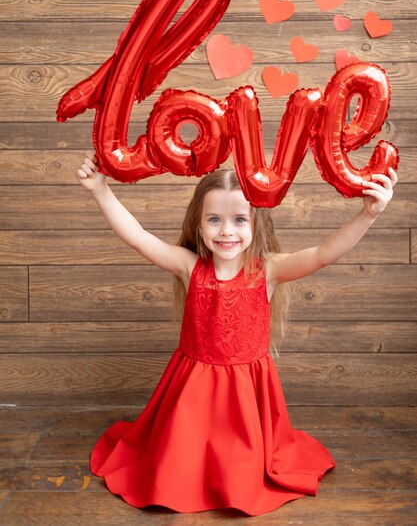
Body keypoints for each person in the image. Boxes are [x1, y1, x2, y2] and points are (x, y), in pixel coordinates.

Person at [76, 150, 397, 516]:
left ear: (256, 224)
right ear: (198, 225)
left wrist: (368, 213)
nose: (226, 231)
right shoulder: (189, 266)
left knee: (240, 468)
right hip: (192, 393)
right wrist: (99, 189)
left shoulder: (269, 271)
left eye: (239, 220)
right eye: (214, 219)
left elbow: (324, 253)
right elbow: (137, 236)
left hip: (248, 396)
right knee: (180, 465)